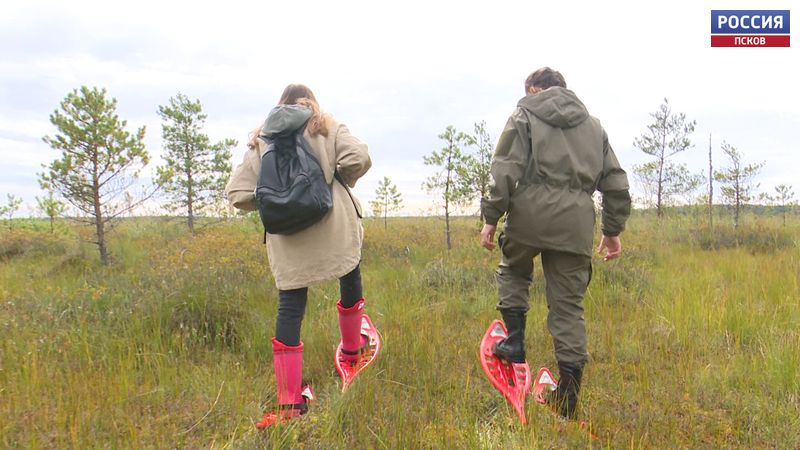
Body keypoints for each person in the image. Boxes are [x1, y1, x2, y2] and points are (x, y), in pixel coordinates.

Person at [479, 67, 631, 420]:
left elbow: (504, 169)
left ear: (534, 88)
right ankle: (568, 396)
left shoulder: (525, 114)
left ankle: (514, 343)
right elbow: (616, 184)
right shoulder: (594, 127)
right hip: (575, 225)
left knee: (515, 271)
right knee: (567, 306)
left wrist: (491, 218)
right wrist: (611, 230)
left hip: (529, 216)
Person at [225, 84, 373, 428]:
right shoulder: (326, 124)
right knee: (349, 273)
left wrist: (278, 200)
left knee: (290, 306)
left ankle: (290, 401)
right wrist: (334, 180)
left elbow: (238, 193)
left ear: (280, 105)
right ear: (310, 101)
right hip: (333, 227)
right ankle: (352, 349)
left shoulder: (263, 140)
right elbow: (359, 158)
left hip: (288, 239)